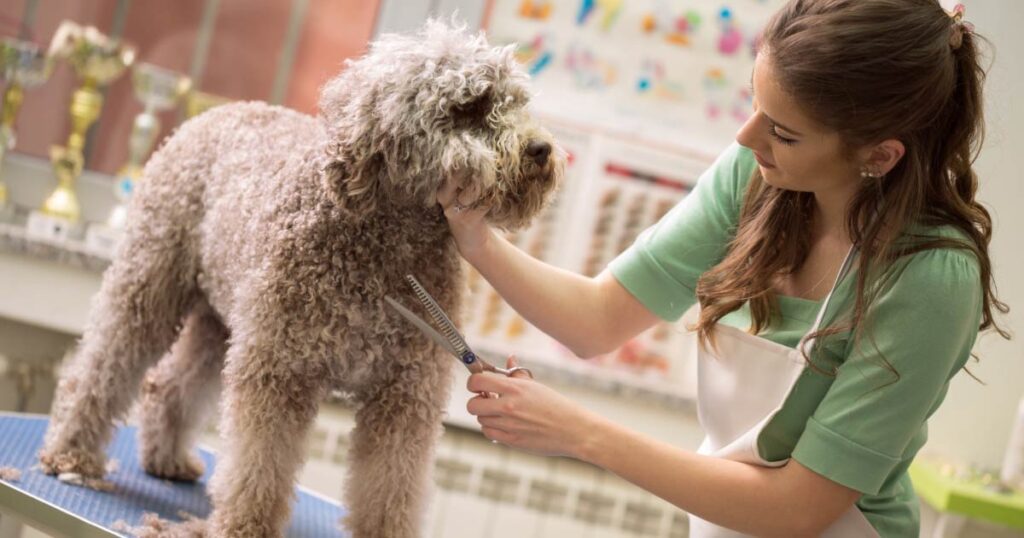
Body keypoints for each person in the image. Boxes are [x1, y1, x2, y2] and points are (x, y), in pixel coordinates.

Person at [437, 0, 1009, 536]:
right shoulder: (759, 176)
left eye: (783, 132)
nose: (746, 136)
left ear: (878, 155)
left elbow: (797, 507)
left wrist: (579, 433)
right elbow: (597, 318)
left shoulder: (931, 276)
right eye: (755, 104)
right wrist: (475, 238)